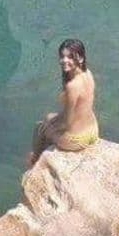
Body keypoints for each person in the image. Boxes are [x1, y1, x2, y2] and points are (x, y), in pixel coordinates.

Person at [25, 38, 99, 168]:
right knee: (49, 118)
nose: (65, 60)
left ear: (80, 58)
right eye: (62, 56)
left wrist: (48, 127)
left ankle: (35, 161)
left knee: (40, 128)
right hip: (93, 130)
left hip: (78, 139)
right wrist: (52, 120)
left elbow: (67, 123)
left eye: (70, 57)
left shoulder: (72, 86)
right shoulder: (88, 73)